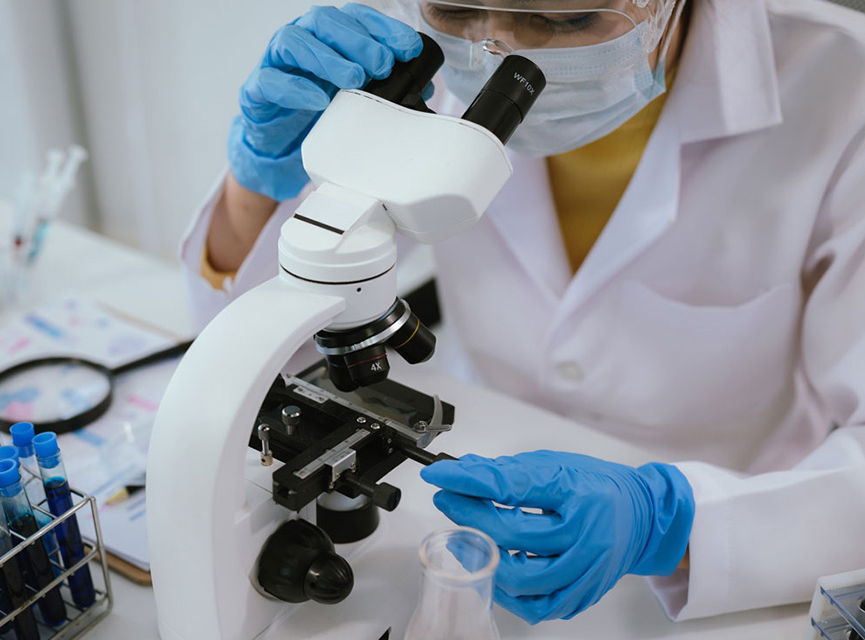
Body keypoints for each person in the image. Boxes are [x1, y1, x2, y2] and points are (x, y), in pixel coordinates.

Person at [179, 0, 865, 625]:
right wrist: (259, 184)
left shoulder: (843, 88)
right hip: (465, 502)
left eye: (567, 22)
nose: (495, 48)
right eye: (457, 7)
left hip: (739, 550)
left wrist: (677, 524)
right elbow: (246, 370)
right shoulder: (393, 41)